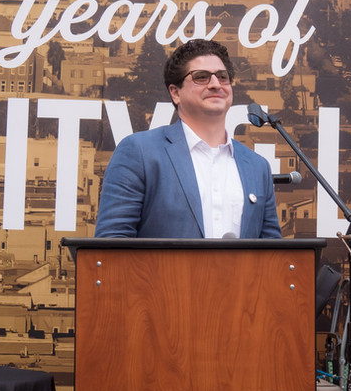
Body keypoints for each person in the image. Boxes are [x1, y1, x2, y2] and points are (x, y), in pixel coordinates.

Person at [95, 39, 282, 240]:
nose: (215, 84)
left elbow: (272, 253)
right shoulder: (140, 152)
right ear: (175, 93)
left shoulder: (257, 166)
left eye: (222, 76)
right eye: (201, 77)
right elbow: (112, 245)